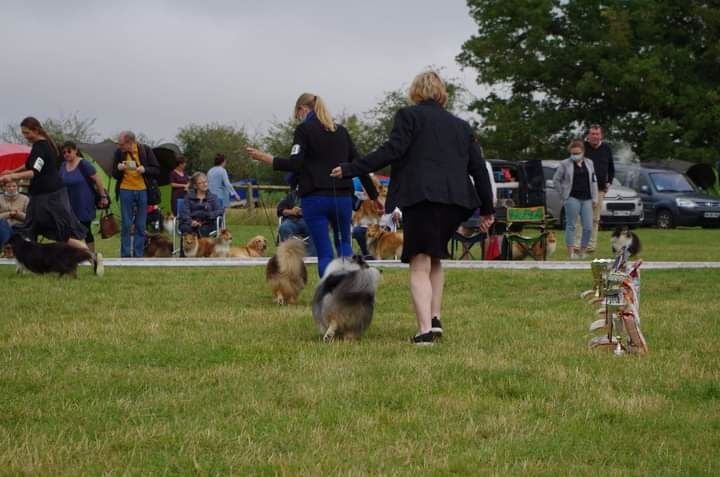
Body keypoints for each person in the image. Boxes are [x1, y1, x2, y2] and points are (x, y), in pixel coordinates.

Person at [330, 71, 495, 345]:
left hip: (422, 198)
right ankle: (435, 319)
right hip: (455, 201)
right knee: (436, 258)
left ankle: (424, 332)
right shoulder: (461, 126)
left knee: (419, 263)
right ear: (442, 93)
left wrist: (351, 169)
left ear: (416, 92)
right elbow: (478, 168)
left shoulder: (408, 116)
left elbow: (390, 151)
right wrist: (488, 209)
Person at [247, 92, 381, 277]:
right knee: (344, 245)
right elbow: (360, 166)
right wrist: (374, 196)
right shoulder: (341, 131)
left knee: (324, 250)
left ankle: (329, 293)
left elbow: (295, 164)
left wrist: (266, 158)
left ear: (302, 109)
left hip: (315, 199)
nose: (298, 119)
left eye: (297, 115)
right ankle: (350, 289)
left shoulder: (304, 130)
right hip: (342, 199)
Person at [111, 130, 160, 258]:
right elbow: (114, 174)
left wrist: (145, 169)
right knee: (126, 223)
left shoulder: (145, 150)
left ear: (130, 142)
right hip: (125, 189)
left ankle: (138, 254)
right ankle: (125, 254)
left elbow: (156, 169)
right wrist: (119, 168)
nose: (119, 147)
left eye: (121, 144)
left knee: (140, 224)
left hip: (142, 190)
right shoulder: (119, 153)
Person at [59, 141, 109, 252]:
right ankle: (72, 256)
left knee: (85, 231)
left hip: (84, 202)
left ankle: (91, 255)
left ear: (75, 150)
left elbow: (98, 179)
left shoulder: (84, 164)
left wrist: (103, 196)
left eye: (69, 151)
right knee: (69, 231)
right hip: (68, 204)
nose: (66, 154)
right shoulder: (62, 166)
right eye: (64, 152)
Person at [553, 139, 599, 259]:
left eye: (577, 153)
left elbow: (594, 181)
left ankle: (583, 252)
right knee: (571, 225)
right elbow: (556, 180)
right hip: (572, 198)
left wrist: (595, 198)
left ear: (583, 152)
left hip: (587, 199)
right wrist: (564, 195)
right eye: (573, 153)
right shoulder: (564, 164)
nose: (575, 155)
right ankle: (571, 253)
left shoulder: (590, 163)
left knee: (588, 226)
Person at [580, 124, 615, 252]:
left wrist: (609, 183)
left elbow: (611, 168)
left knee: (595, 219)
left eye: (597, 134)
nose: (594, 136)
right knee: (580, 218)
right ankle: (578, 245)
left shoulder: (606, 148)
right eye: (592, 134)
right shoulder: (582, 147)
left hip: (600, 189)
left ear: (601, 135)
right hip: (583, 189)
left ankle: (590, 246)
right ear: (588, 135)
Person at [277, 175, 316, 256]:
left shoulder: (313, 195)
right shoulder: (291, 195)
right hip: (291, 221)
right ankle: (290, 254)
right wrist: (292, 211)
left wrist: (305, 212)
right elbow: (280, 210)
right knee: (284, 228)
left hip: (308, 220)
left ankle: (310, 256)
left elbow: (319, 210)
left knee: (316, 228)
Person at [179, 172, 223, 237]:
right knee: (186, 228)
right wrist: (191, 222)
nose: (205, 184)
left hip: (207, 223)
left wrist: (208, 215)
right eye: (201, 183)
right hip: (191, 223)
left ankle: (201, 246)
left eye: (205, 182)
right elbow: (184, 213)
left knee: (202, 230)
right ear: (195, 186)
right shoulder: (188, 197)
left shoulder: (213, 197)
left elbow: (220, 211)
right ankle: (188, 246)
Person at [0, 179, 29, 251]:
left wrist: (17, 214)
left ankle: (8, 248)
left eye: (14, 186)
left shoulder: (25, 199)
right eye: (8, 186)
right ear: (4, 187)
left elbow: (29, 218)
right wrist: (9, 214)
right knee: (2, 222)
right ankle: (8, 248)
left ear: (18, 187)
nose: (11, 188)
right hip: (2, 228)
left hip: (19, 229)